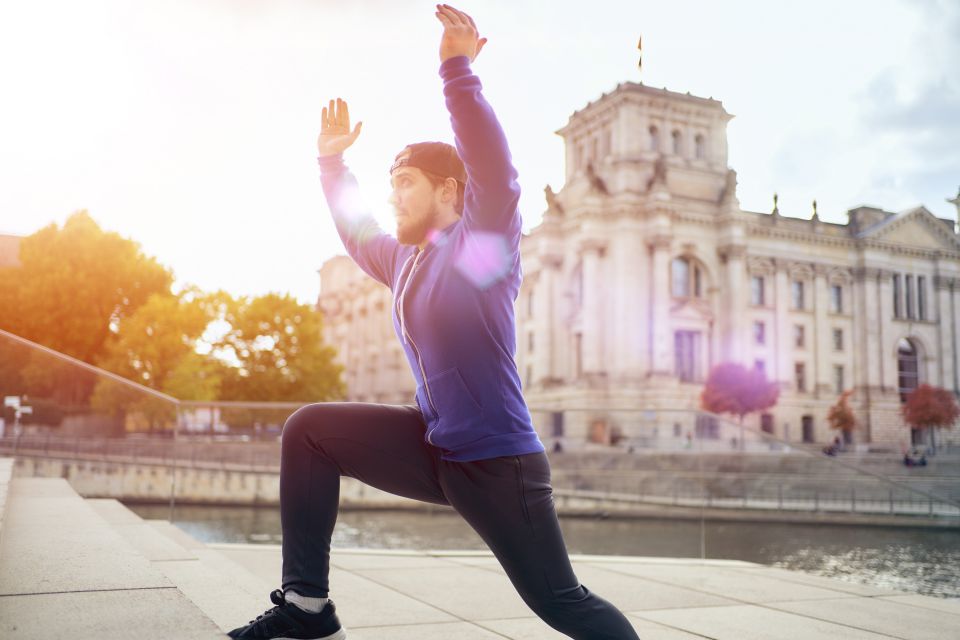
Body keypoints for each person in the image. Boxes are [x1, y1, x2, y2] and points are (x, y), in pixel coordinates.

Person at [227, 5, 640, 640]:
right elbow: (358, 230)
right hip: (434, 450)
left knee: (563, 603)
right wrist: (333, 166)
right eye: (391, 183)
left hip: (499, 464)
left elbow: (495, 171)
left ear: (450, 191)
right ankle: (307, 605)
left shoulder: (482, 248)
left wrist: (456, 69)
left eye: (406, 182)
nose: (393, 195)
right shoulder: (405, 262)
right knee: (308, 431)